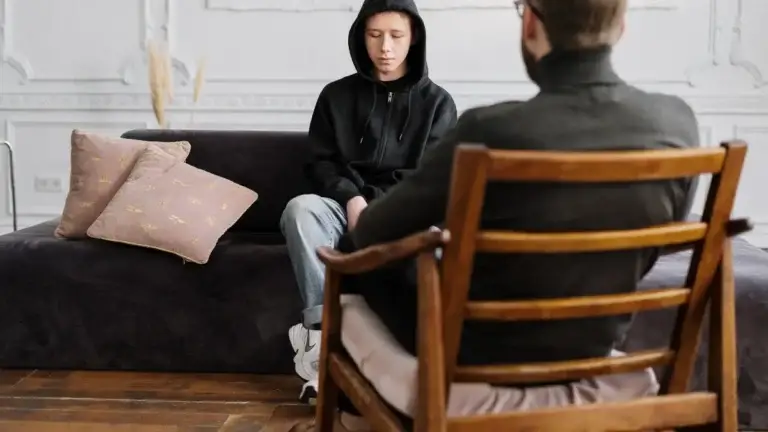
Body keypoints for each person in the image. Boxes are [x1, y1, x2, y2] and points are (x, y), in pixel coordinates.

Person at [333, 0, 699, 422]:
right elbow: (664, 235)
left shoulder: (488, 130)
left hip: (476, 349)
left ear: (529, 24)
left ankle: (352, 423)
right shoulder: (677, 124)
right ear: (622, 27)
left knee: (351, 249)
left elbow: (373, 232)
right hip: (591, 342)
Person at [279, 0, 457, 403]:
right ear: (361, 37)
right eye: (375, 35)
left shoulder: (439, 104)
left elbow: (429, 177)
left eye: (397, 36)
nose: (386, 48)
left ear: (415, 39)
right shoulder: (335, 96)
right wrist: (352, 199)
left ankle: (378, 360)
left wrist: (377, 206)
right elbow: (321, 163)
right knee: (300, 209)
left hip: (401, 213)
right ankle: (322, 344)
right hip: (340, 209)